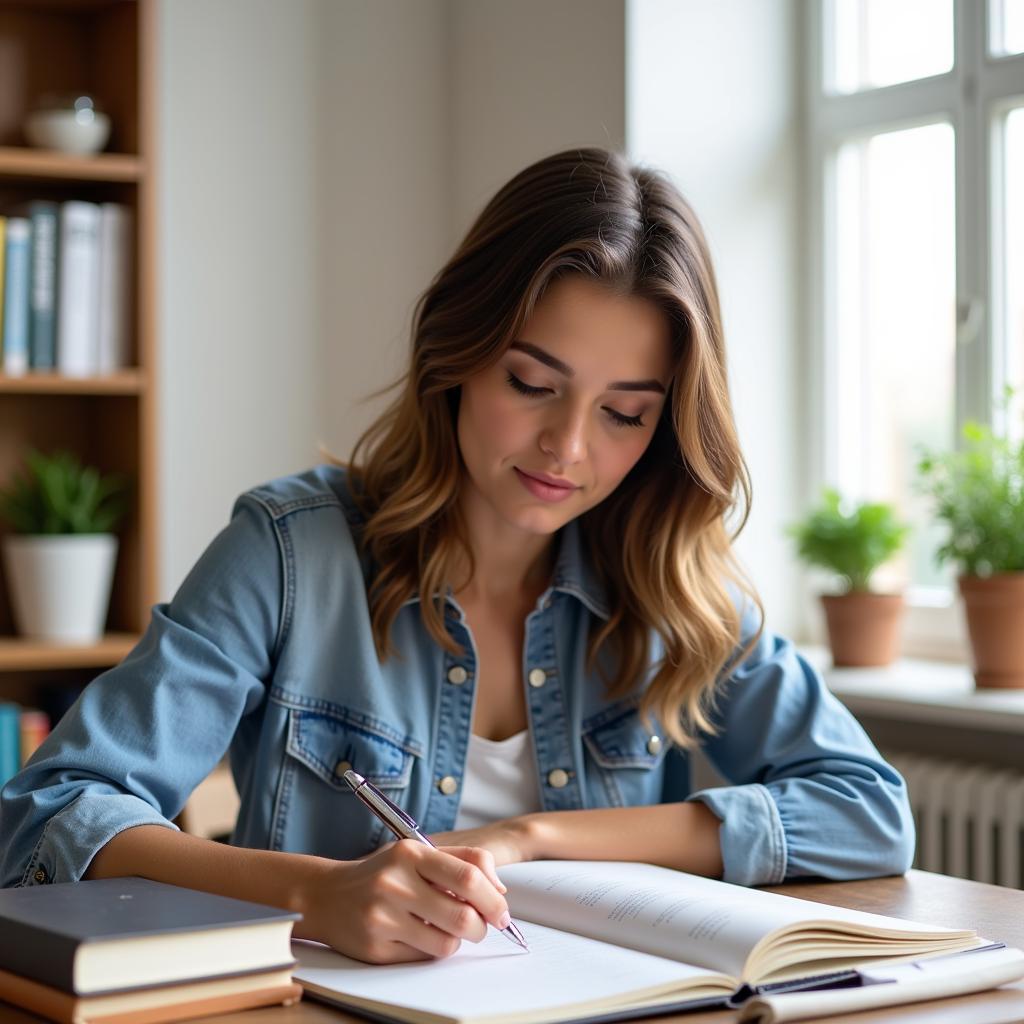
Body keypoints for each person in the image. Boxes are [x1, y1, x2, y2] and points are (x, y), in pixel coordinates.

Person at [0, 147, 914, 965]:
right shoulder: (289, 554)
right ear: (458, 352)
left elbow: (869, 812)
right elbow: (50, 812)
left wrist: (535, 839)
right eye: (532, 383)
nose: (567, 446)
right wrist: (317, 894)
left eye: (624, 412)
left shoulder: (672, 587)